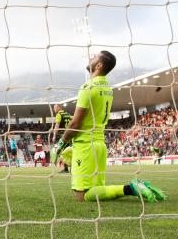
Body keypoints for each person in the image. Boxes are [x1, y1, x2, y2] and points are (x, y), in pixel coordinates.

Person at [50, 51, 165, 203]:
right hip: (99, 145)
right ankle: (132, 188)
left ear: (99, 65)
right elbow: (86, 119)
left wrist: (60, 144)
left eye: (94, 56)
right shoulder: (107, 89)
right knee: (97, 193)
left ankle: (132, 188)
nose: (90, 57)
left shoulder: (87, 87)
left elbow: (76, 124)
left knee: (83, 196)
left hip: (85, 146)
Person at [52, 104, 72, 172]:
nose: (53, 109)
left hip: (62, 136)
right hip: (69, 135)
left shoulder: (59, 115)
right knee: (69, 152)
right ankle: (72, 168)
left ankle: (66, 168)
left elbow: (57, 126)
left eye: (54, 107)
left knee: (62, 151)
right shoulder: (67, 114)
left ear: (59, 107)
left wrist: (54, 135)